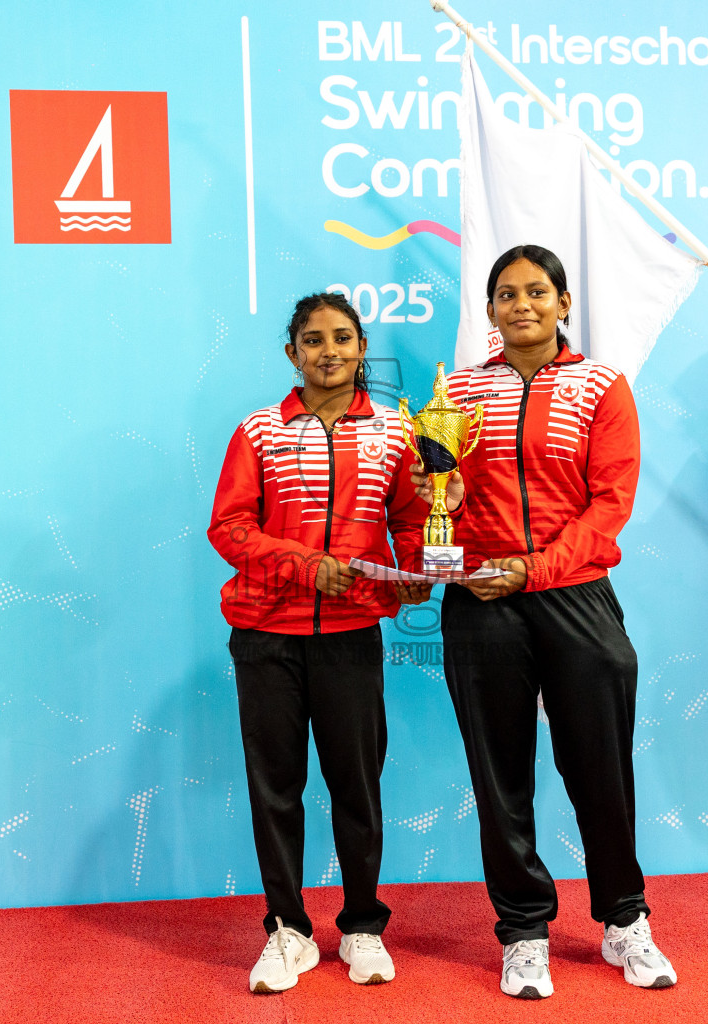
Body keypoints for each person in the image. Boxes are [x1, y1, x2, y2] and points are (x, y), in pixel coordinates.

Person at [410, 245, 675, 999]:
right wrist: (448, 501)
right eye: (504, 294)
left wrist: (538, 569)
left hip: (574, 595)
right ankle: (523, 932)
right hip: (482, 598)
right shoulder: (456, 392)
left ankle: (625, 920)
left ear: (563, 302)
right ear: (489, 311)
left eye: (536, 291)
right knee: (501, 778)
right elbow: (434, 497)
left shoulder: (600, 386)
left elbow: (610, 503)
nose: (520, 304)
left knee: (600, 770)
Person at [207, 292, 429, 993]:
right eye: (313, 339)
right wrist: (305, 565)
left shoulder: (397, 433)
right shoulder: (258, 432)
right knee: (277, 790)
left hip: (350, 638)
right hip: (265, 638)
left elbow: (417, 519)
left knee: (356, 788)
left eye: (342, 337)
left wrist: (417, 572)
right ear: (291, 353)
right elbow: (230, 527)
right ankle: (289, 931)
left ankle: (362, 926)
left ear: (362, 348)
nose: (328, 350)